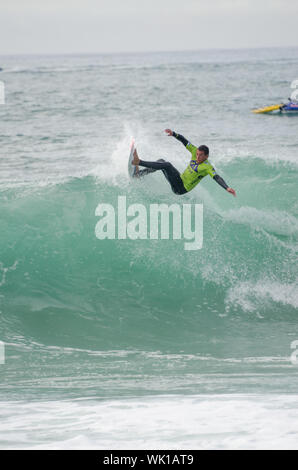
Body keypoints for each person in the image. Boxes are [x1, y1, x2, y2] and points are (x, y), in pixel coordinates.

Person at [132, 129, 236, 197]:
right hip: (180, 179)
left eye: (201, 155)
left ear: (206, 156)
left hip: (181, 188)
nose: (197, 157)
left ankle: (139, 161)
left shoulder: (207, 167)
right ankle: (139, 174)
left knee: (167, 165)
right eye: (197, 154)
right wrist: (174, 134)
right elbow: (184, 141)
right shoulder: (195, 151)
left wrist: (227, 187)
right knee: (162, 162)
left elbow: (217, 177)